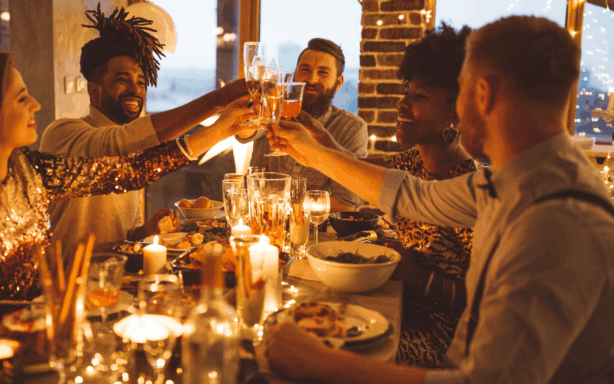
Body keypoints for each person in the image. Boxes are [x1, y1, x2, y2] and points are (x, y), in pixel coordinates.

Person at [266, 16, 614, 384]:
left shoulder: (555, 222)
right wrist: (316, 149)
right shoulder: (521, 178)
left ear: (483, 94)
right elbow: (411, 194)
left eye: (460, 90)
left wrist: (321, 363)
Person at [0, 49, 252, 374]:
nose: (35, 105)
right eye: (20, 98)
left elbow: (129, 172)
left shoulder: (27, 171)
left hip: (43, 346)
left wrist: (221, 128)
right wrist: (6, 335)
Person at [41, 7, 249, 252]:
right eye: (122, 79)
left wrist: (148, 230)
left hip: (119, 278)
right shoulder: (64, 132)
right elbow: (119, 142)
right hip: (67, 281)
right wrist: (221, 99)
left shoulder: (137, 151)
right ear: (94, 91)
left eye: (141, 82)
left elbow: (128, 234)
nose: (135, 90)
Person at [384, 23, 478, 368]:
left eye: (418, 96)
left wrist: (418, 277)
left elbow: (480, 298)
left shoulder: (468, 188)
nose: (402, 104)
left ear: (455, 111)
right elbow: (354, 167)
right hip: (401, 311)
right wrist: (314, 139)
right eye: (405, 92)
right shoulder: (413, 160)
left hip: (442, 340)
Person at [236, 38, 368, 212]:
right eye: (305, 70)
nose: (311, 79)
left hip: (314, 233)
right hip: (256, 225)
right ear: (295, 75)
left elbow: (345, 203)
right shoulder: (274, 108)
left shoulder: (351, 127)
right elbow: (244, 133)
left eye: (323, 72)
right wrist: (253, 109)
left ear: (339, 83)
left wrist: (281, 210)